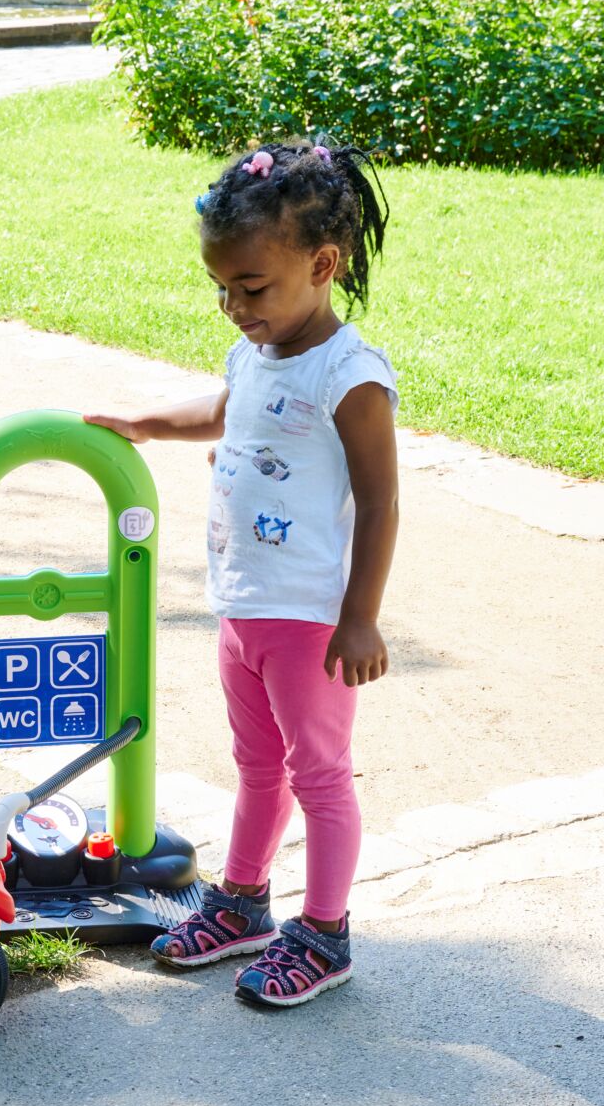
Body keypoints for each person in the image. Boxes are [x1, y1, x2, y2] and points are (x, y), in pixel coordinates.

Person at [85, 140, 398, 1008]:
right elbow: (223, 412)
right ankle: (246, 901)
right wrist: (143, 422)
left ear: (323, 264)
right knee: (258, 768)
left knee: (320, 775)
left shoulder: (350, 376)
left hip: (310, 620)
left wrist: (361, 617)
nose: (231, 305)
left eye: (251, 288)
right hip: (244, 606)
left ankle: (326, 932)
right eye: (220, 287)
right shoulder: (255, 356)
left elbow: (380, 504)